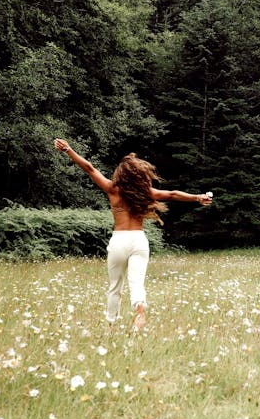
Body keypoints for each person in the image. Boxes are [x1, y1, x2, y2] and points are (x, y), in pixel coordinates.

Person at [53, 139, 212, 331]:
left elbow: (90, 169)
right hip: (138, 240)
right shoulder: (147, 192)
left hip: (119, 240)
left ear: (121, 174)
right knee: (136, 283)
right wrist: (197, 197)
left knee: (115, 286)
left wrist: (69, 150)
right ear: (140, 175)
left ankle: (111, 326)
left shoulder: (113, 189)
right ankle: (140, 310)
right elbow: (171, 194)